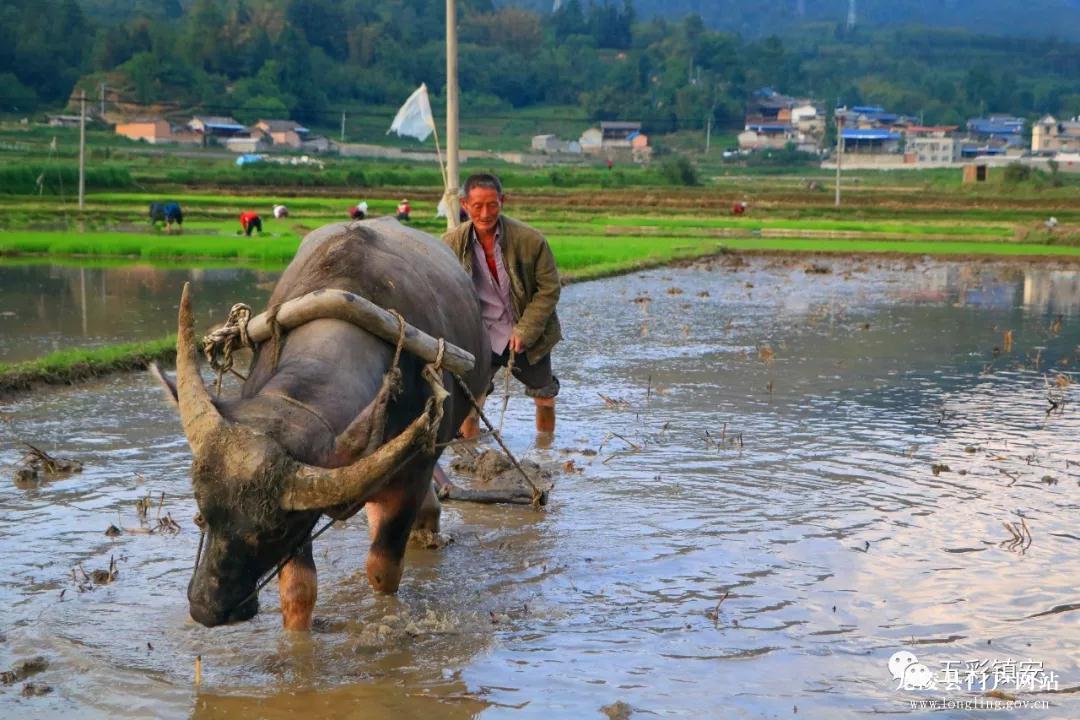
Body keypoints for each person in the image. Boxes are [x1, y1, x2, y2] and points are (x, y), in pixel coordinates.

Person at [443, 173, 562, 440]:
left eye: (492, 205)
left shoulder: (530, 241)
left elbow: (549, 289)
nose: (485, 214)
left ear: (502, 201)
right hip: (480, 335)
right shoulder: (450, 244)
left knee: (544, 396)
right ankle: (471, 455)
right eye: (477, 206)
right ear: (464, 204)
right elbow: (443, 290)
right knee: (471, 404)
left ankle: (546, 450)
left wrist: (526, 329)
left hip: (525, 332)